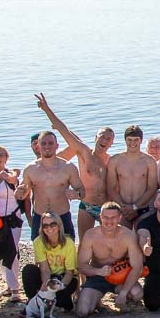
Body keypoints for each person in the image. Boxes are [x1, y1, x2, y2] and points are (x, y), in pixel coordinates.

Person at [35, 93, 113, 238]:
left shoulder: (112, 161)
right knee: (84, 242)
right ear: (96, 138)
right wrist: (46, 109)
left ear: (112, 143)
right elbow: (64, 130)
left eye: (109, 138)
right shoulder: (84, 153)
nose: (105, 140)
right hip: (87, 206)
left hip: (106, 206)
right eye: (102, 136)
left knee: (108, 242)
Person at [76, 202, 144, 317]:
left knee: (137, 294)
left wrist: (123, 293)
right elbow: (82, 265)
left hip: (121, 275)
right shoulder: (90, 235)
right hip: (97, 277)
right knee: (83, 311)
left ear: (120, 218)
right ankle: (97, 300)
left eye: (113, 218)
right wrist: (98, 271)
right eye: (106, 217)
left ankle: (124, 300)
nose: (109, 221)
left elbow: (137, 266)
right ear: (100, 217)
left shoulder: (128, 235)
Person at [16, 131, 84, 241]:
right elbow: (22, 193)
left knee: (67, 249)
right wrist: (18, 193)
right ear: (38, 146)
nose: (47, 146)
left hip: (62, 216)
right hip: (40, 216)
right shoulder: (30, 169)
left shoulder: (68, 167)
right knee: (39, 250)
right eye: (43, 143)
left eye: (50, 143)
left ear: (57, 146)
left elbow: (81, 191)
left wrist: (76, 194)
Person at [21, 212, 79, 313]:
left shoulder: (68, 243)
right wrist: (46, 285)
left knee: (64, 301)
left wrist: (58, 287)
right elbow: (44, 269)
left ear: (59, 226)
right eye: (45, 225)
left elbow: (70, 272)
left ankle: (54, 301)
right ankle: (33, 300)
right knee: (29, 270)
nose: (49, 228)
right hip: (48, 277)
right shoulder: (38, 242)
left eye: (53, 224)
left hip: (63, 278)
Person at [0, 145, 23, 302]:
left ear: (6, 158)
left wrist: (9, 177)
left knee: (12, 252)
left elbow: (15, 177)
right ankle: (9, 285)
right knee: (1, 253)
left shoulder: (10, 174)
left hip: (12, 218)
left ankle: (15, 290)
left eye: (1, 154)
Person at [106, 126, 159, 228]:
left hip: (142, 208)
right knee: (122, 236)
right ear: (125, 140)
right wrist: (123, 207)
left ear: (141, 140)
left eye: (136, 140)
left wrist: (135, 207)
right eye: (129, 140)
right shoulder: (115, 160)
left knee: (142, 235)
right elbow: (111, 188)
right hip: (122, 208)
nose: (132, 143)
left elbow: (152, 188)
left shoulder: (149, 161)